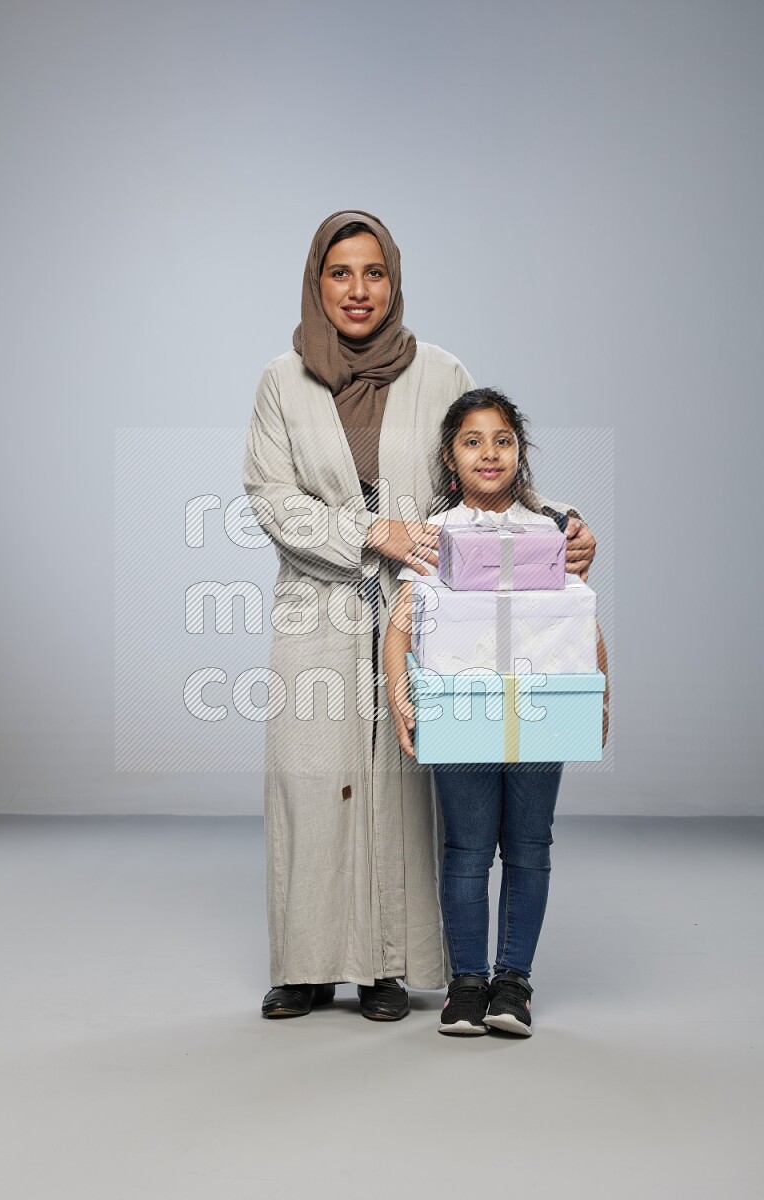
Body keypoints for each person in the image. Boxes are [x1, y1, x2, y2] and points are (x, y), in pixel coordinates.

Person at [242, 211, 597, 1021]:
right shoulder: (280, 380)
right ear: (316, 282)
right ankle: (304, 966)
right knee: (308, 779)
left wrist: (565, 524)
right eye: (341, 273)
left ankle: (386, 969)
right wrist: (371, 530)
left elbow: (482, 472)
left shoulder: (438, 371)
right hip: (320, 605)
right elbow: (269, 495)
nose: (359, 290)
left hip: (426, 605)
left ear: (395, 282)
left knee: (403, 786)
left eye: (375, 273)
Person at [383, 387, 610, 1036]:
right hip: (463, 712)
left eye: (503, 440)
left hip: (539, 708)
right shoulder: (437, 534)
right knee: (466, 851)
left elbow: (577, 617)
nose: (490, 452)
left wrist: (600, 686)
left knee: (531, 847)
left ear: (521, 454)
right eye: (473, 440)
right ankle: (467, 985)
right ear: (451, 460)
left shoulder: (550, 532)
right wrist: (400, 690)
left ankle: (514, 984)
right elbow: (401, 626)